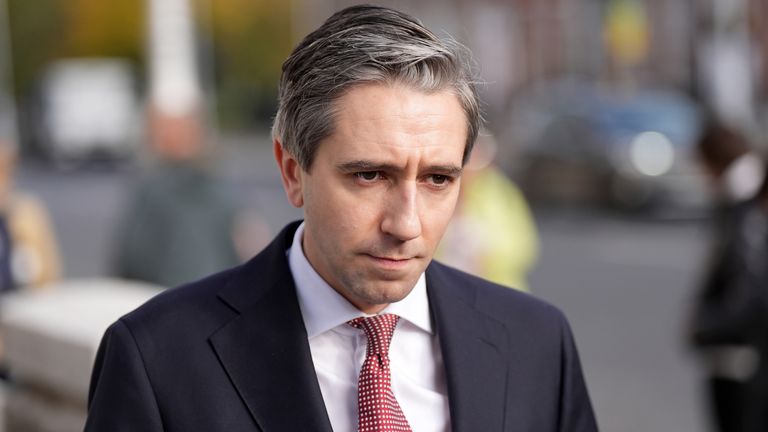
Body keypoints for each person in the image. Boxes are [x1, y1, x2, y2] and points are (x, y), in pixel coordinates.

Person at [85, 6, 597, 431]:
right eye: (370, 176)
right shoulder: (156, 356)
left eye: (438, 179)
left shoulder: (537, 343)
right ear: (292, 171)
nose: (407, 224)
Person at [689, 121, 768, 432]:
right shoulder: (742, 202)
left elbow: (753, 290)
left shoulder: (744, 208)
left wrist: (707, 327)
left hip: (743, 358)